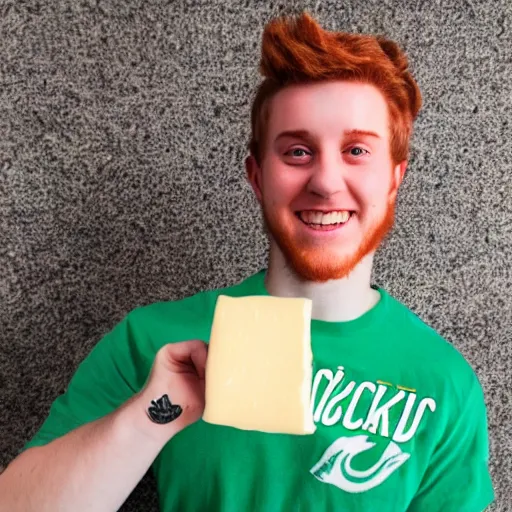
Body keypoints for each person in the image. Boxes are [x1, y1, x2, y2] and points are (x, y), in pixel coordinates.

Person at [0, 12, 494, 512]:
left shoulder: (444, 383)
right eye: (297, 152)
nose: (325, 182)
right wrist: (152, 415)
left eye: (356, 150)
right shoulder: (156, 340)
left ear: (394, 178)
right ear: (257, 177)